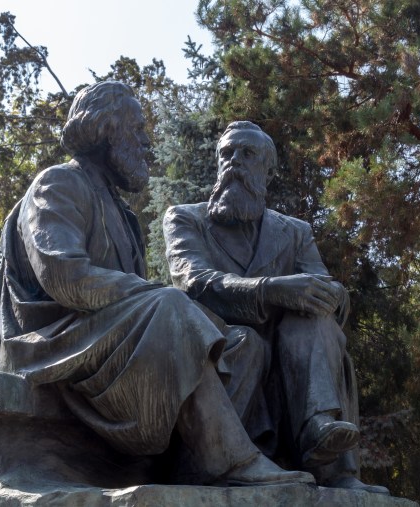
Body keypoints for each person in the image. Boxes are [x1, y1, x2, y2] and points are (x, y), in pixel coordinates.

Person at [0, 83, 313, 487]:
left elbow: (129, 297)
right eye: (137, 129)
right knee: (170, 305)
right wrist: (156, 297)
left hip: (104, 337)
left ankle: (194, 469)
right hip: (54, 342)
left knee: (243, 343)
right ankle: (235, 462)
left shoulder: (123, 214)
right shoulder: (58, 184)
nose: (147, 142)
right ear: (104, 129)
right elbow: (65, 279)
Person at [163, 121, 389, 494]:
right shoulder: (187, 219)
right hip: (224, 345)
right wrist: (273, 290)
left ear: (267, 170)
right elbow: (194, 283)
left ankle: (323, 437)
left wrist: (328, 295)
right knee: (248, 342)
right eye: (226, 154)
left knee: (313, 320)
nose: (234, 161)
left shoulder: (294, 231)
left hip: (289, 363)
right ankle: (215, 462)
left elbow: (325, 288)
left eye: (247, 154)